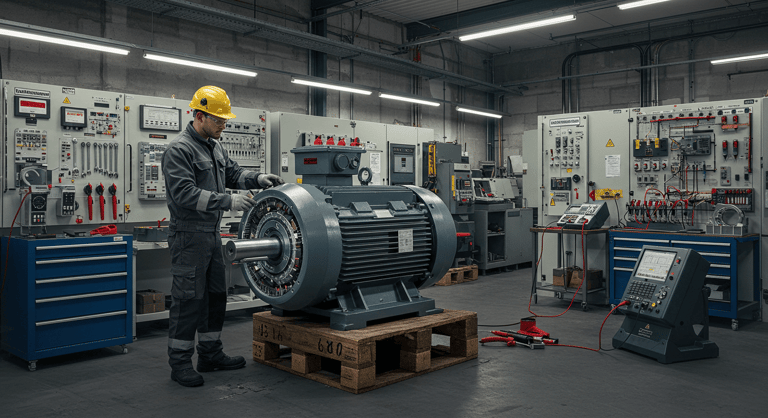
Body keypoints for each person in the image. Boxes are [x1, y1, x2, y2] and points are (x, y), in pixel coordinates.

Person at [162, 86, 284, 387]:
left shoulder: (215, 146)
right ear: (199, 116)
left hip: (211, 236)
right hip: (188, 236)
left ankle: (210, 354)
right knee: (188, 300)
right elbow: (183, 194)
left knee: (216, 296)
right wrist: (228, 201)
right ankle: (180, 364)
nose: (223, 125)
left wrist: (257, 178)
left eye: (225, 120)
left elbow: (231, 173)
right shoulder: (179, 150)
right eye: (218, 120)